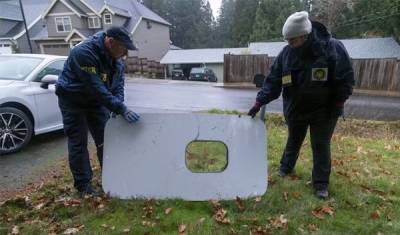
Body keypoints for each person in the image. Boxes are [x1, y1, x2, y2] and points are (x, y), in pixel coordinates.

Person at [247, 11, 355, 199]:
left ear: (305, 36)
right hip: (296, 108)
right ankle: (286, 167)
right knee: (294, 140)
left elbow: (346, 78)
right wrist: (259, 102)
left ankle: (320, 184)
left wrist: (339, 102)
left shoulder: (331, 48)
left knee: (320, 145)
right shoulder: (286, 54)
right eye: (286, 40)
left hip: (325, 110)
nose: (289, 44)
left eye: (293, 40)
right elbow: (273, 80)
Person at [55, 25, 140, 197]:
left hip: (96, 101)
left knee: (106, 140)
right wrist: (120, 108)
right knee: (78, 143)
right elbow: (96, 88)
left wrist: (118, 105)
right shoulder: (84, 52)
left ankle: (112, 177)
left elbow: (118, 87)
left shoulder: (117, 61)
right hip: (73, 99)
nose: (126, 53)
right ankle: (84, 186)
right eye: (123, 48)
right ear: (110, 41)